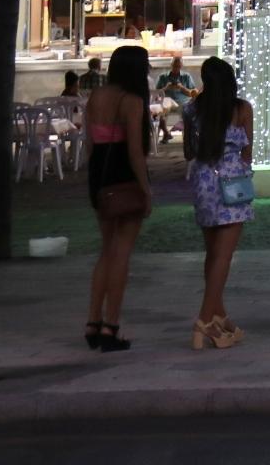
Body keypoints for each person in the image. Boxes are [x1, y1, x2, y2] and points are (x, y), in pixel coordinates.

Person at [84, 45, 152, 352]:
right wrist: (146, 190)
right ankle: (111, 326)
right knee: (122, 253)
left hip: (99, 175)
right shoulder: (132, 101)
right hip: (124, 176)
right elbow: (135, 152)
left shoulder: (96, 97)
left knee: (106, 250)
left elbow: (89, 144)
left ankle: (92, 321)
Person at [183, 56, 253, 350]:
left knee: (213, 255)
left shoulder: (192, 110)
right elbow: (247, 153)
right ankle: (204, 320)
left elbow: (189, 151)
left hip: (203, 180)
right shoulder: (241, 109)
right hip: (233, 183)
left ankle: (219, 316)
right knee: (224, 256)